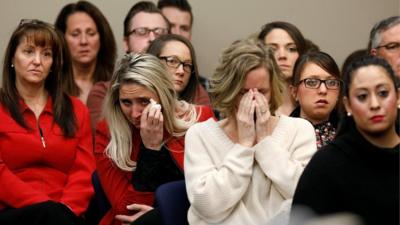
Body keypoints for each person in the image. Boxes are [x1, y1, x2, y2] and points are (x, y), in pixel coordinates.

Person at [184, 38, 317, 225]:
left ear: (273, 89)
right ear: (228, 90)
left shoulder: (299, 130)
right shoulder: (200, 135)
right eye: (243, 92)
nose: (253, 101)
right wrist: (244, 146)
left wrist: (265, 143)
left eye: (262, 92)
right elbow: (207, 207)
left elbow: (307, 195)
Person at [95, 53, 214, 225]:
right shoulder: (108, 132)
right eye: (126, 102)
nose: (135, 113)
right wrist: (150, 148)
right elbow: (126, 210)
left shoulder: (200, 120)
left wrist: (165, 211)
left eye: (143, 101)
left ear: (163, 95)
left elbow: (218, 193)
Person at [0, 19, 95, 225]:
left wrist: (66, 209)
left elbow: (84, 170)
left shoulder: (77, 110)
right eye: (28, 51)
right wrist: (46, 208)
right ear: (13, 59)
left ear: (53, 64)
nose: (37, 61)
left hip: (67, 213)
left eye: (46, 54)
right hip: (12, 212)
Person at [291, 56, 400, 225]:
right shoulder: (326, 165)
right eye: (362, 96)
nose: (374, 104)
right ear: (348, 105)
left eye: (383, 93)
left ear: (398, 96)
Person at [87, 1, 169, 130]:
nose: (153, 38)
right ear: (126, 43)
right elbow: (106, 142)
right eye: (142, 31)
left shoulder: (188, 85)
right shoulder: (103, 93)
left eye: (159, 32)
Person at [55, 0, 117, 104]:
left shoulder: (117, 85)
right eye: (75, 34)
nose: (84, 41)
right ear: (62, 38)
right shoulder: (52, 86)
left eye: (91, 33)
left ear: (102, 38)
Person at [290, 51, 342, 149]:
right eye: (312, 82)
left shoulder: (351, 137)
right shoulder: (282, 137)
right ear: (294, 92)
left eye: (331, 82)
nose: (323, 90)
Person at [157, 0, 211, 91]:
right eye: (170, 26)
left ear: (190, 35)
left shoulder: (207, 88)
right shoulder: (131, 85)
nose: (177, 33)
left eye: (184, 28)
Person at [258, 21, 308, 116]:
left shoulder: (314, 106)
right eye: (272, 49)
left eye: (291, 49)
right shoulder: (250, 108)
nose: (282, 55)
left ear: (302, 55)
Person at [147, 34, 210, 105]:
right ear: (153, 61)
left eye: (187, 65)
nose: (181, 71)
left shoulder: (201, 112)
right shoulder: (135, 104)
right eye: (172, 61)